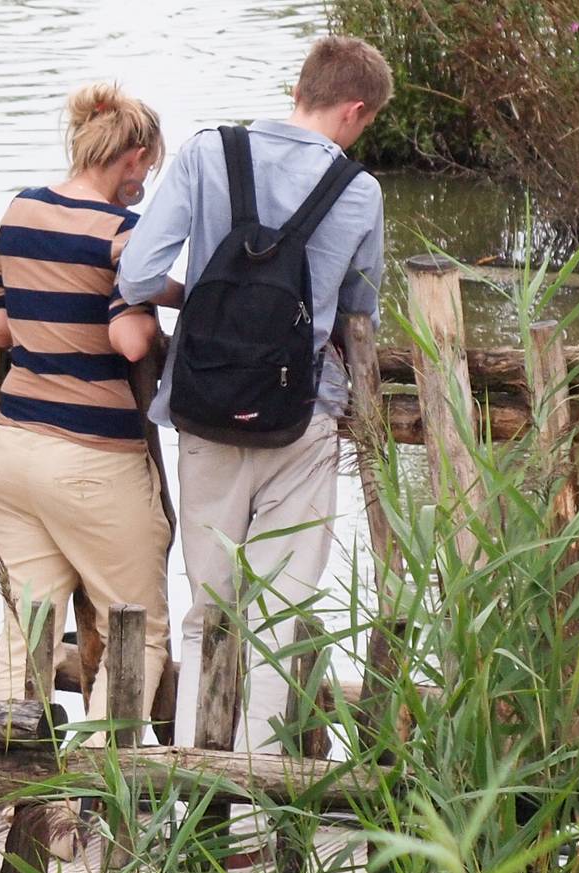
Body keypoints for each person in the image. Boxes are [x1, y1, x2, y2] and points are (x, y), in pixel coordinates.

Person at [117, 35, 390, 754]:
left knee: (206, 612)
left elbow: (138, 276)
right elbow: (360, 314)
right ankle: (255, 811)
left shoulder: (209, 153)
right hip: (300, 419)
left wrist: (196, 294)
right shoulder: (359, 192)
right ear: (355, 110)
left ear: (301, 88)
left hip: (205, 411)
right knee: (278, 617)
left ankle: (185, 801)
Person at [0, 82, 170, 735]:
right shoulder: (122, 233)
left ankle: (12, 792)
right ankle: (97, 799)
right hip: (92, 461)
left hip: (12, 450)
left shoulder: (19, 211)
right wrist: (169, 300)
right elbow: (129, 338)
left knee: (25, 632)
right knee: (137, 630)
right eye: (149, 165)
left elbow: (0, 330)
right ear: (133, 156)